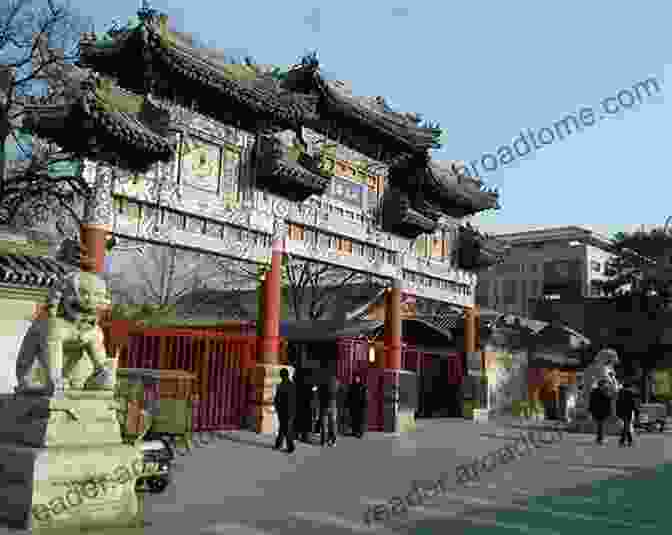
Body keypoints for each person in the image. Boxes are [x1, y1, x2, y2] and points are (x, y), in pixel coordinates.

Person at [273, 368, 296, 454]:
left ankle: (290, 447)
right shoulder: (292, 385)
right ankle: (278, 444)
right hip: (290, 410)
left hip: (283, 410)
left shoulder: (281, 385)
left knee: (285, 428)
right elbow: (295, 399)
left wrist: (277, 407)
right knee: (283, 428)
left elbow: (277, 399)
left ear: (282, 375)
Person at [589, 379, 613, 445]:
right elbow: (609, 398)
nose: (606, 385)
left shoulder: (594, 391)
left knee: (600, 425)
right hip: (602, 411)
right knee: (601, 425)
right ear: (602, 385)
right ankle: (600, 439)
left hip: (596, 411)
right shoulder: (604, 391)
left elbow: (591, 401)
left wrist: (590, 410)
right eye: (605, 384)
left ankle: (599, 438)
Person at [616, 380, 639, 447]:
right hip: (627, 411)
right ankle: (622, 440)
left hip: (621, 411)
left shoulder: (620, 393)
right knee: (626, 426)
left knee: (626, 426)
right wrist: (636, 411)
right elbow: (633, 403)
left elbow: (617, 403)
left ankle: (629, 440)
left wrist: (617, 412)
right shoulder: (630, 393)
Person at [347, 373, 368, 438]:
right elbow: (349, 396)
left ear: (360, 379)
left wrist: (364, 404)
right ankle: (354, 432)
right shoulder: (351, 386)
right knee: (354, 419)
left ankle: (360, 432)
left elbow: (365, 396)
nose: (356, 379)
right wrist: (348, 404)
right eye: (356, 378)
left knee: (360, 420)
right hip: (353, 406)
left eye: (357, 378)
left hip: (360, 406)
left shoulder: (363, 386)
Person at [319, 376, 338, 447]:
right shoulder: (336, 383)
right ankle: (333, 441)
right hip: (333, 405)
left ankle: (324, 441)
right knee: (333, 424)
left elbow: (319, 394)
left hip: (324, 406)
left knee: (324, 425)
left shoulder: (322, 383)